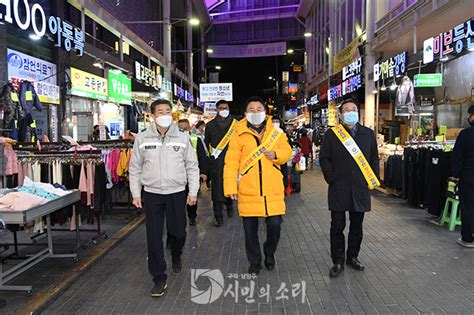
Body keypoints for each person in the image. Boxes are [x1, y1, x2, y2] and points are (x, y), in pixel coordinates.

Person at [129, 99, 200, 297]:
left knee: (178, 233)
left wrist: (193, 192)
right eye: (160, 111)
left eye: (168, 111)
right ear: (152, 116)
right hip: (151, 194)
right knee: (153, 237)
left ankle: (176, 255)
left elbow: (192, 167)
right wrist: (136, 193)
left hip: (177, 193)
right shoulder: (142, 138)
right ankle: (159, 277)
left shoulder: (183, 137)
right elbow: (134, 168)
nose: (165, 114)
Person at [224, 96, 292, 275]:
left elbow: (287, 152)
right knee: (249, 231)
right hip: (248, 190)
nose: (255, 113)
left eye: (259, 109)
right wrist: (230, 187)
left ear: (265, 111)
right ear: (245, 114)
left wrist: (276, 153)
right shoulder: (238, 134)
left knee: (275, 225)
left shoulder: (276, 133)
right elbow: (231, 163)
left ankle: (270, 252)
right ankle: (255, 262)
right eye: (251, 110)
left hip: (272, 190)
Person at [319, 99, 380, 278]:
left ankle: (352, 256)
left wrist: (372, 179)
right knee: (337, 225)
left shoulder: (368, 134)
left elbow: (374, 159)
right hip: (339, 187)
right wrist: (331, 177)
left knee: (357, 226)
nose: (350, 112)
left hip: (360, 187)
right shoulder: (332, 135)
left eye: (353, 109)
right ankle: (337, 260)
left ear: (358, 113)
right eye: (346, 110)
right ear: (340, 115)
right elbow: (324, 158)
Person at [205, 100, 236, 227]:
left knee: (229, 187)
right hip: (216, 163)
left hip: (232, 161)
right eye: (221, 107)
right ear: (216, 110)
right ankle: (218, 217)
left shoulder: (236, 124)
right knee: (217, 191)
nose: (224, 109)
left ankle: (229, 206)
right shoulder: (210, 125)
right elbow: (207, 143)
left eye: (226, 107)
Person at [177, 119, 209, 226]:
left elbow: (202, 157)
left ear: (189, 128)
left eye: (185, 128)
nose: (182, 130)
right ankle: (179, 218)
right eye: (180, 129)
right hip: (178, 175)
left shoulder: (196, 139)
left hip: (193, 174)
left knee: (192, 196)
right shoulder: (173, 139)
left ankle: (192, 217)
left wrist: (203, 172)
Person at [452, 105, 474, 248]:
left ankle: (467, 238)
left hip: (468, 177)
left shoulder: (465, 134)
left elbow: (457, 157)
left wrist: (456, 174)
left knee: (467, 207)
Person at [272, 117, 289, 190]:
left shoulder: (283, 133)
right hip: (271, 159)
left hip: (281, 158)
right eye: (273, 121)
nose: (275, 123)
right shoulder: (266, 133)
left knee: (283, 173)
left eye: (277, 121)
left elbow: (288, 147)